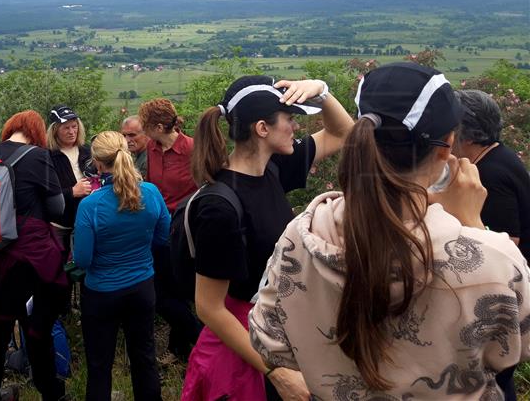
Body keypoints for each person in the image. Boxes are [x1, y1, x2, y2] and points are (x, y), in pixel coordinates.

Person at [250, 62, 530, 400]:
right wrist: (472, 227)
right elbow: (516, 347)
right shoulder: (492, 260)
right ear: (447, 146)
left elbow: (267, 340)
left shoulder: (301, 235)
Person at [183, 75, 353, 401]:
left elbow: (344, 133)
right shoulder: (220, 207)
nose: (295, 128)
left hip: (276, 332)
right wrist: (278, 373)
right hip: (244, 348)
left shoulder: (274, 169)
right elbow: (209, 307)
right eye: (289, 119)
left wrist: (322, 92)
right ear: (262, 129)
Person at [0, 110, 69, 401]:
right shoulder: (38, 158)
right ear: (37, 132)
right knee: (37, 328)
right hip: (32, 259)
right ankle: (50, 393)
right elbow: (57, 209)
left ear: (10, 129)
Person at [73, 131, 171, 401]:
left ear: (97, 162)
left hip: (101, 292)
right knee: (144, 357)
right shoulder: (150, 193)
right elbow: (163, 237)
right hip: (142, 286)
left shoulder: (90, 205)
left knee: (99, 365)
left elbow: (82, 259)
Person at [454, 88, 530, 401]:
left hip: (505, 295)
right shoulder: (500, 156)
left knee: (496, 378)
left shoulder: (490, 174)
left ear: (466, 134)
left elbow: (505, 242)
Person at [137, 98, 202, 361]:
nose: (143, 131)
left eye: (146, 126)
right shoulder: (151, 148)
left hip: (186, 229)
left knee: (174, 293)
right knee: (167, 294)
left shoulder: (192, 150)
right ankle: (182, 348)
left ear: (161, 126)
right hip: (158, 228)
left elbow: (206, 187)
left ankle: (198, 342)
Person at [47, 104, 96, 255]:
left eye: (74, 126)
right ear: (55, 131)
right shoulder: (47, 156)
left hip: (86, 220)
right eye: (66, 128)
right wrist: (72, 192)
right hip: (59, 224)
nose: (71, 132)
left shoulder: (87, 151)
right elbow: (43, 193)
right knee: (58, 263)